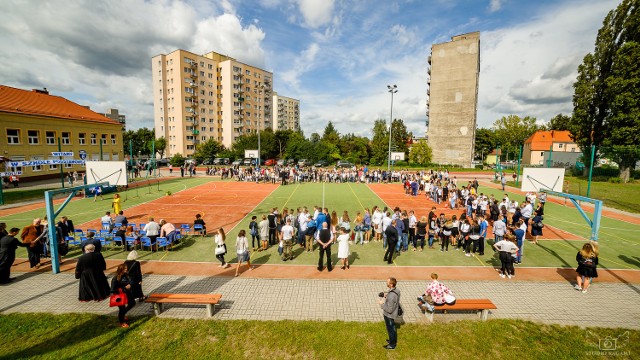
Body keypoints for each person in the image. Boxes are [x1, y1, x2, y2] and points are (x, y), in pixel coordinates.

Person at [111, 263, 136, 328]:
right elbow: (113, 290)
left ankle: (122, 314)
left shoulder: (126, 275)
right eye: (125, 268)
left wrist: (131, 284)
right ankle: (122, 322)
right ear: (121, 270)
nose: (126, 269)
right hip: (119, 296)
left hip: (127, 294)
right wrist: (124, 288)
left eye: (126, 268)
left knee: (132, 303)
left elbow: (130, 281)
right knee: (122, 309)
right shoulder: (115, 278)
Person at [378, 277, 400, 350]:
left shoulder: (391, 296)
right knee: (392, 328)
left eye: (387, 282)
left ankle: (392, 345)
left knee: (391, 329)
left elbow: (389, 310)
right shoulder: (397, 290)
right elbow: (393, 298)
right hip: (393, 313)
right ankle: (392, 340)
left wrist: (381, 304)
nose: (386, 282)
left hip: (389, 315)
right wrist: (386, 295)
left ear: (391, 284)